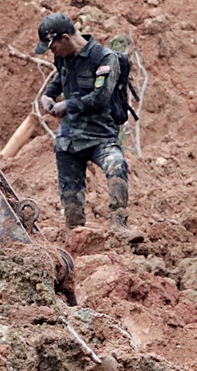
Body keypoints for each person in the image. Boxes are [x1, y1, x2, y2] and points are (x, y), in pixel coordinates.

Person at [34, 13, 131, 231]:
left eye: (53, 47)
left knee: (117, 165)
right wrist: (48, 96)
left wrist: (67, 105)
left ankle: (119, 224)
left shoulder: (104, 58)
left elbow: (100, 97)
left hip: (101, 137)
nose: (53, 53)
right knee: (70, 195)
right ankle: (76, 235)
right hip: (69, 140)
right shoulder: (64, 58)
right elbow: (61, 78)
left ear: (66, 38)